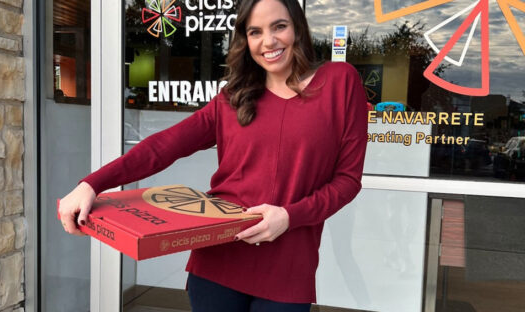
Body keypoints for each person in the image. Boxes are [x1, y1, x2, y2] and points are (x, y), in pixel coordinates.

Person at [58, 0, 368, 311]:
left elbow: (347, 181)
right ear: (245, 41)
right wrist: (92, 184)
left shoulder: (340, 81)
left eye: (279, 26)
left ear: (298, 28)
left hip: (288, 269)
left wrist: (290, 217)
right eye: (255, 32)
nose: (269, 41)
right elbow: (163, 146)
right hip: (217, 262)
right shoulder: (232, 99)